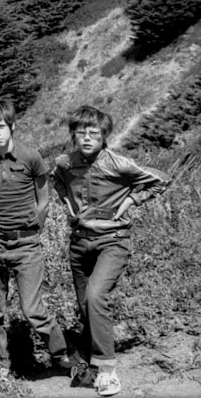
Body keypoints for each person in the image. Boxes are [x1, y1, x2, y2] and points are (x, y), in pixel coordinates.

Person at [52, 105, 170, 397]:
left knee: (95, 296)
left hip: (113, 241)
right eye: (82, 133)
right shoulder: (65, 163)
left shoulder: (118, 163)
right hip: (79, 243)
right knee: (84, 307)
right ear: (73, 136)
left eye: (95, 133)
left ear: (104, 136)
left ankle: (107, 372)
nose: (88, 138)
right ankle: (92, 363)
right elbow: (56, 180)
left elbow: (160, 180)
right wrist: (68, 205)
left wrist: (130, 202)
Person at [0, 98, 70, 375]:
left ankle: (61, 355)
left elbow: (43, 200)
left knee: (33, 309)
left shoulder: (31, 157)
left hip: (26, 244)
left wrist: (31, 231)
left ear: (12, 126)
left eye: (1, 126)